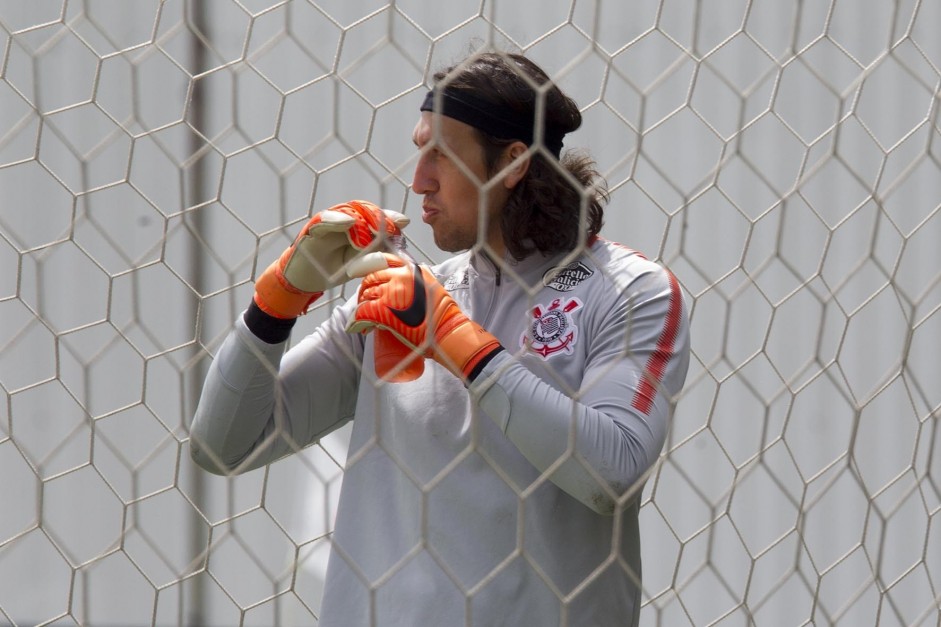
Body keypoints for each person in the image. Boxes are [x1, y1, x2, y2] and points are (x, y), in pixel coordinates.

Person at [191, 51, 690, 627]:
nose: (418, 178)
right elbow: (223, 447)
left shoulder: (629, 291)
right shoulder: (399, 301)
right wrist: (278, 299)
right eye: (419, 147)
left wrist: (455, 341)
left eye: (442, 155)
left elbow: (612, 471)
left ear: (512, 164)